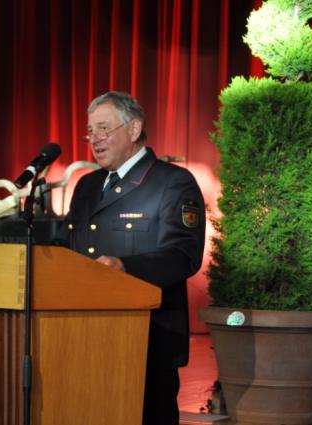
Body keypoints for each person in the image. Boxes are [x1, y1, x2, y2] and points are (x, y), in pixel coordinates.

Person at [54, 91, 206, 424]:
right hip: (84, 336)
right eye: (90, 131)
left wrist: (124, 268)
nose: (95, 139)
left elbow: (183, 255)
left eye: (103, 128)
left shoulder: (172, 182)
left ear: (134, 129)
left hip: (147, 340)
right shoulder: (87, 185)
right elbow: (66, 245)